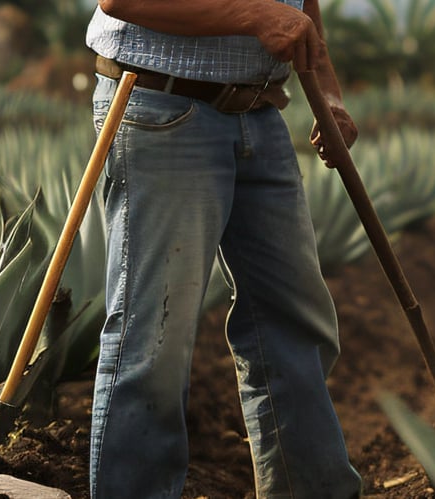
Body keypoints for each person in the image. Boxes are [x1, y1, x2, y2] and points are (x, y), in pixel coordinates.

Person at [84, 0, 361, 497]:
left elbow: (300, 7)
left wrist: (329, 94)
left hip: (259, 114)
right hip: (161, 105)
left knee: (296, 324)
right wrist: (255, 16)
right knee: (153, 342)